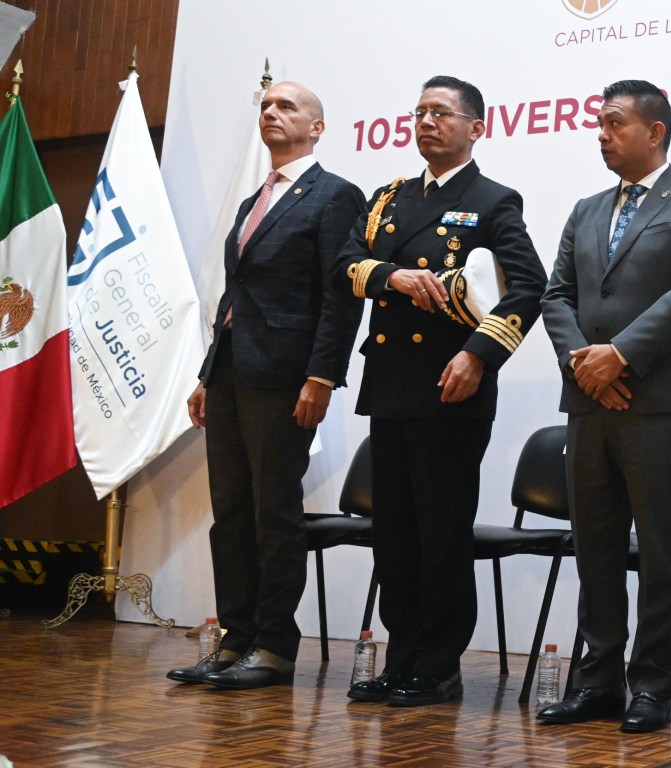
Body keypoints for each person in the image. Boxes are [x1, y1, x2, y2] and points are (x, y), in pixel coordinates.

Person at [334, 75, 547, 707]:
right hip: (391, 382)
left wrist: (479, 355)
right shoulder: (389, 198)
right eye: (420, 111)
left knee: (441, 532)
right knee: (394, 533)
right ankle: (401, 658)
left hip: (452, 386)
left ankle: (438, 664)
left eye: (441, 113)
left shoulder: (492, 200)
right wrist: (392, 276)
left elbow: (528, 287)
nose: (426, 122)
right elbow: (345, 264)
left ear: (476, 127)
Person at [534, 79, 671, 734]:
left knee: (660, 550)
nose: (602, 134)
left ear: (656, 130)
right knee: (594, 547)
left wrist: (618, 356)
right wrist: (584, 365)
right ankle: (596, 682)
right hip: (589, 402)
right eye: (599, 123)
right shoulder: (587, 208)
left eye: (615, 123)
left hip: (660, 403)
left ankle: (652, 686)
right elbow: (555, 295)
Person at [170, 82, 366, 690]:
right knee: (230, 512)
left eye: (286, 106)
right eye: (265, 107)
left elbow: (340, 296)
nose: (272, 113)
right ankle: (235, 639)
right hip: (232, 372)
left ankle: (275, 647)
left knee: (272, 511)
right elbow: (236, 294)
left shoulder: (335, 194)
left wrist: (322, 375)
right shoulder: (255, 199)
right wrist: (208, 374)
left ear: (317, 126)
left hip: (286, 375)